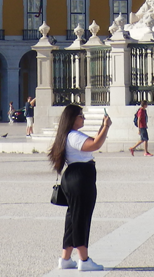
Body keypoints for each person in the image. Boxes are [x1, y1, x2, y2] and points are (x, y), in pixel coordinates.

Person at [48, 103, 111, 272]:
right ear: (72, 118)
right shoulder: (73, 136)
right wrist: (106, 127)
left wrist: (102, 128)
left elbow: (92, 142)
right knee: (81, 218)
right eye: (80, 115)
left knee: (72, 218)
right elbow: (95, 145)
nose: (83, 118)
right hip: (80, 177)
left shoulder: (69, 135)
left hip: (74, 176)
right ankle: (84, 259)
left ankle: (66, 258)